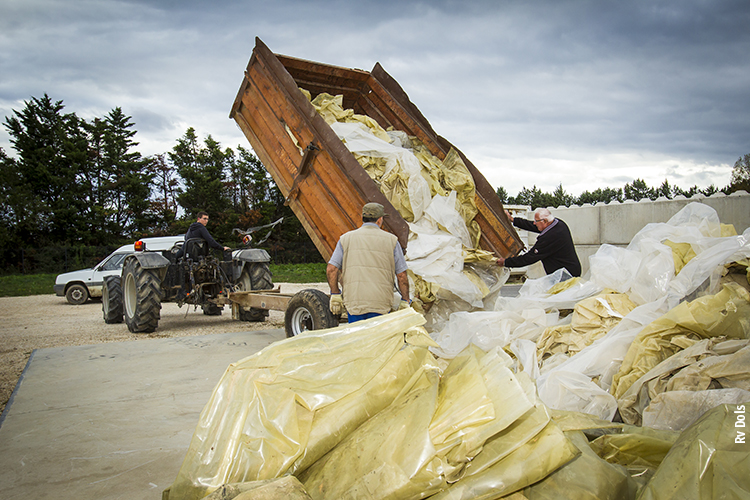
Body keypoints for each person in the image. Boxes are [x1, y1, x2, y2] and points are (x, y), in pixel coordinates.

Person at [327, 202, 410, 323]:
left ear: (362, 218)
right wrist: (405, 300)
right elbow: (401, 276)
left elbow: (331, 269)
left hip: (355, 302)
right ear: (380, 219)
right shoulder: (392, 241)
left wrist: (335, 294)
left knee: (358, 339)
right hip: (380, 303)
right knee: (377, 340)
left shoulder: (345, 239)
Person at [497, 208, 581, 277]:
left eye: (536, 221)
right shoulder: (558, 224)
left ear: (545, 221)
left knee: (561, 296)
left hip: (565, 275)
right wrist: (513, 220)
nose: (534, 223)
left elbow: (530, 257)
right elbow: (532, 226)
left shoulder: (550, 237)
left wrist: (506, 262)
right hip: (569, 270)